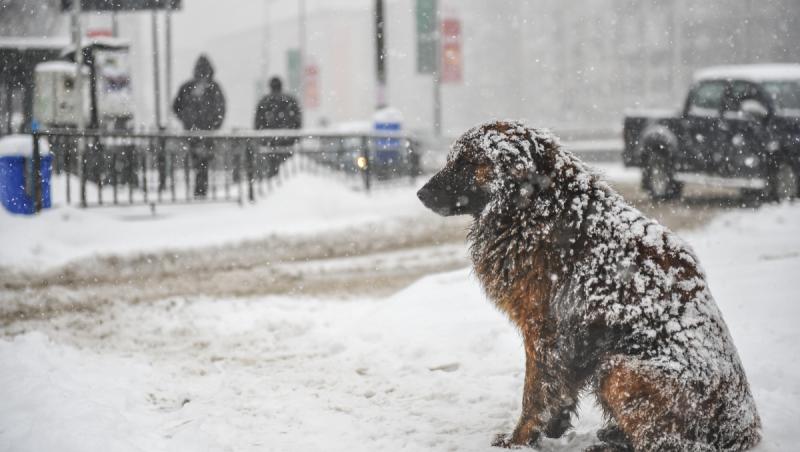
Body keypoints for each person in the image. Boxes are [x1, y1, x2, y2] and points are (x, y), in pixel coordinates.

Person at [173, 55, 226, 198]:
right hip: (206, 131)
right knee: (203, 160)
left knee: (197, 159)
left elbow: (176, 107)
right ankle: (201, 188)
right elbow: (221, 109)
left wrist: (186, 120)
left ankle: (199, 188)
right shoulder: (214, 88)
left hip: (193, 130)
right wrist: (214, 124)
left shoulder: (187, 87)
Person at [254, 77, 302, 179]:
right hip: (287, 142)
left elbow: (258, 123)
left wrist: (262, 138)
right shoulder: (290, 100)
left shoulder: (264, 102)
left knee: (271, 171)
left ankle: (273, 181)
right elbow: (297, 122)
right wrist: (294, 137)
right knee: (288, 172)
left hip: (269, 143)